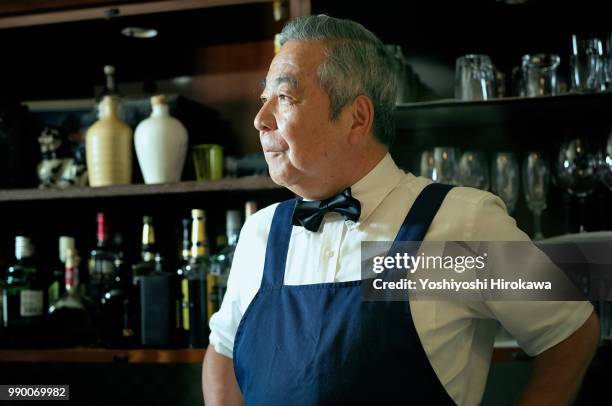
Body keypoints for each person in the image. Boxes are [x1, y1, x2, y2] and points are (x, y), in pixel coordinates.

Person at [202, 14, 600, 406]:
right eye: (263, 99)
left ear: (357, 117)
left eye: (285, 98)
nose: (259, 120)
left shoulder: (462, 221)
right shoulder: (260, 233)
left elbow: (570, 332)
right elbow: (222, 348)